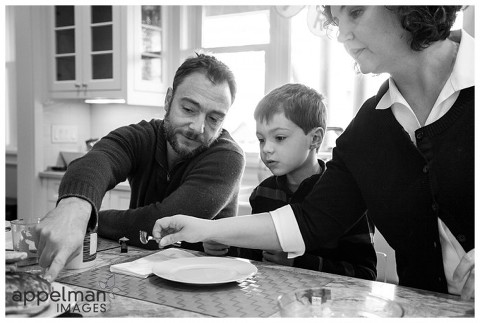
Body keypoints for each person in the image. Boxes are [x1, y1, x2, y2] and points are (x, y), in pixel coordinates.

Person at [153, 6, 474, 300]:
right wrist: (205, 228)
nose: (342, 34)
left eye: (356, 12)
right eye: (336, 20)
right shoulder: (368, 130)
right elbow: (308, 221)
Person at [33, 53, 245, 281]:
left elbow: (163, 223)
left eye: (214, 118)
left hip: (208, 281)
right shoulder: (143, 136)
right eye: (189, 109)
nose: (198, 127)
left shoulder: (227, 156)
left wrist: (92, 219)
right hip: (140, 270)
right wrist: (75, 208)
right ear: (168, 100)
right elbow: (100, 159)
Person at [240, 83, 377, 279]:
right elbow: (253, 255)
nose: (266, 149)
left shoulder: (346, 196)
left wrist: (297, 263)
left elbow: (366, 274)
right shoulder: (263, 193)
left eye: (279, 137)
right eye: (261, 139)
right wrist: (223, 248)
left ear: (315, 139)